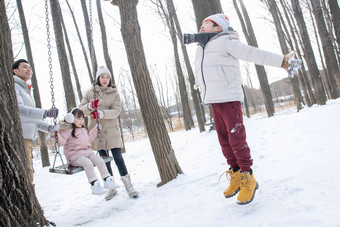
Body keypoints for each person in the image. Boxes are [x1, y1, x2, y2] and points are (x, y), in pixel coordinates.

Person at [192, 14, 301, 205]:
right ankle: (235, 175)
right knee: (224, 141)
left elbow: (253, 53)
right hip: (213, 99)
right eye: (201, 23)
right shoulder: (201, 46)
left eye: (206, 23)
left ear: (219, 27)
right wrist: (199, 83)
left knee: (236, 138)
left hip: (229, 97)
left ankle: (248, 177)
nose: (202, 26)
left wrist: (283, 61)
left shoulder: (227, 41)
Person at [79, 66, 139, 200]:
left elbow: (117, 111)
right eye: (102, 77)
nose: (105, 79)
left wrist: (102, 113)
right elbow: (80, 111)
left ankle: (129, 185)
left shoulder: (115, 93)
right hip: (97, 133)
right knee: (104, 161)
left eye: (107, 77)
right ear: (98, 78)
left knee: (118, 159)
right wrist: (89, 107)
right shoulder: (90, 93)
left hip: (112, 131)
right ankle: (111, 187)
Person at [52, 108, 119, 195]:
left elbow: (89, 139)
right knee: (88, 163)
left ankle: (107, 180)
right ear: (70, 118)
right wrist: (55, 134)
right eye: (78, 119)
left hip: (87, 153)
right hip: (75, 156)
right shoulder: (67, 131)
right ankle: (95, 185)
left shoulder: (83, 129)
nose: (81, 121)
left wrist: (95, 130)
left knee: (100, 160)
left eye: (82, 118)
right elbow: (61, 142)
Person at [13, 59, 59, 185]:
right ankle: (28, 202)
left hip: (27, 138)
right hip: (20, 137)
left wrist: (49, 127)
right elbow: (20, 109)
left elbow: (32, 119)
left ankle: (30, 201)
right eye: (25, 67)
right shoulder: (14, 86)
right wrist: (45, 112)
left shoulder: (26, 89)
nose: (29, 69)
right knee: (27, 171)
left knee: (29, 170)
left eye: (30, 67)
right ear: (15, 71)